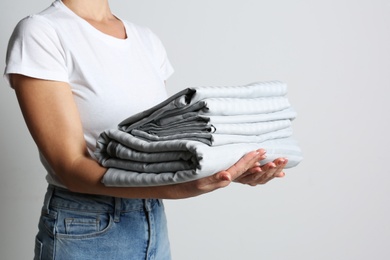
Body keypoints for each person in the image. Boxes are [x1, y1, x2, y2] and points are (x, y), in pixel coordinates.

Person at [4, 0, 288, 259]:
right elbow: (71, 168)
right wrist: (183, 187)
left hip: (152, 217)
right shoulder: (41, 32)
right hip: (85, 224)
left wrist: (228, 170)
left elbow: (158, 146)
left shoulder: (145, 39)